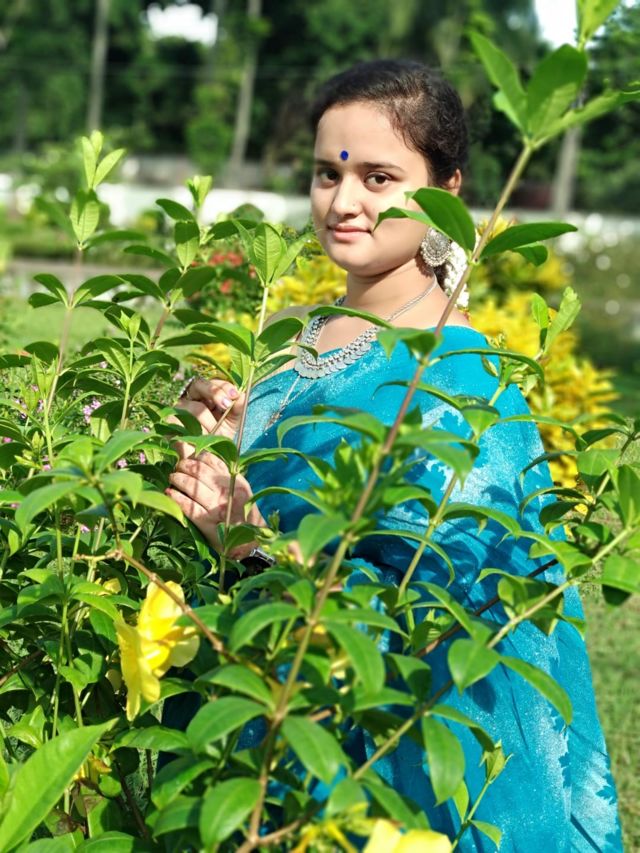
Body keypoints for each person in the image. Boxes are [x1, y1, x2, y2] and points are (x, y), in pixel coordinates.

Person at [166, 60, 622, 851]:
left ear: (447, 189)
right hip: (245, 719)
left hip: (370, 771)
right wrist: (207, 425)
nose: (343, 201)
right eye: (327, 173)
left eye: (378, 177)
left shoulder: (461, 382)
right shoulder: (292, 335)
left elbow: (445, 623)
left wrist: (255, 544)